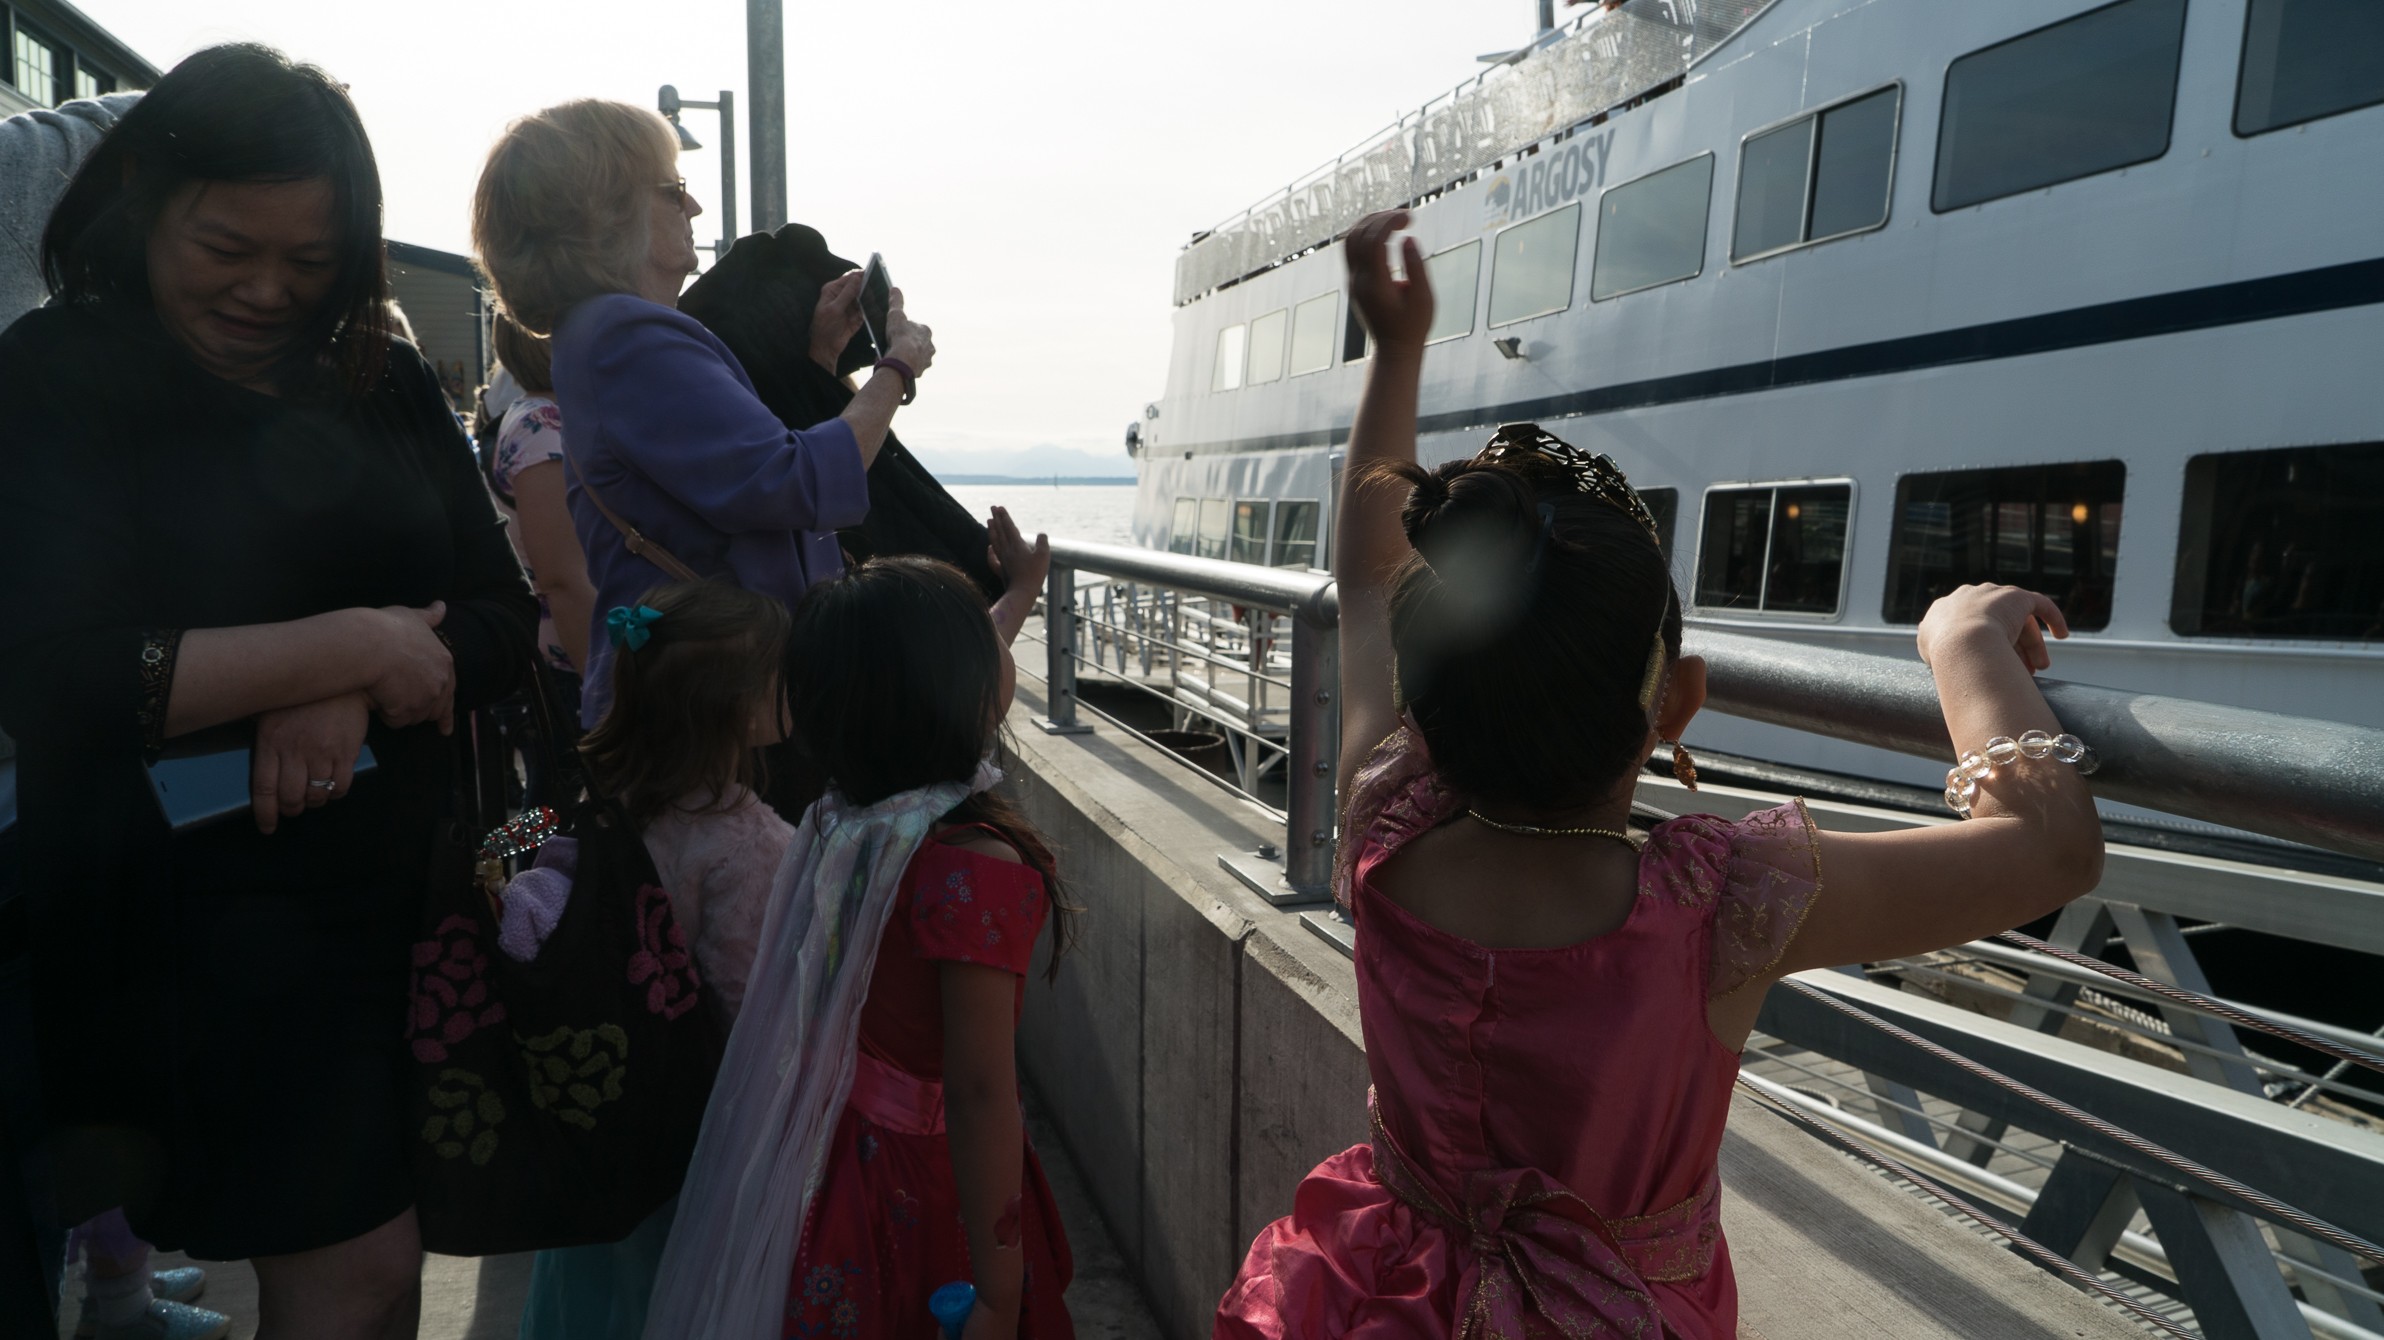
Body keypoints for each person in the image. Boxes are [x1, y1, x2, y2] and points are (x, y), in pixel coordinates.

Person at [1213, 210, 2105, 1339]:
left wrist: (1391, 351)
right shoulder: (1719, 903)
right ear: (1675, 701)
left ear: (1421, 687)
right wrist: (1963, 645)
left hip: (1372, 1289)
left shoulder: (1384, 818)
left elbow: (1362, 574)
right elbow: (2050, 851)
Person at [0, 43, 537, 1340]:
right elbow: (56, 678)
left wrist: (350, 684)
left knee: (386, 1269)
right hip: (194, 929)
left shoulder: (380, 375)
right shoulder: (53, 377)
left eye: (309, 261)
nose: (264, 290)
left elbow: (501, 617)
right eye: (226, 247)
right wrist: (348, 641)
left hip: (406, 908)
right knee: (354, 1271)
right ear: (140, 201)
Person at [646, 551, 1072, 1340]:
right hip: (925, 1183)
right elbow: (979, 1091)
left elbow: (541, 841)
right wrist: (997, 1293)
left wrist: (1018, 592)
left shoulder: (838, 820)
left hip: (823, 1152)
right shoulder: (965, 864)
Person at [469, 98, 936, 739]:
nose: (692, 207)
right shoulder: (629, 339)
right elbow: (792, 482)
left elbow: (728, 472)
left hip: (696, 700)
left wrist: (821, 360)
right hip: (715, 712)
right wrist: (896, 369)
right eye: (673, 190)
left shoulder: (605, 335)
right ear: (605, 214)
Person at [512, 580, 793, 1340]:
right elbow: (746, 1004)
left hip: (597, 1109)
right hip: (685, 1131)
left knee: (591, 1295)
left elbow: (511, 844)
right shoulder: (748, 842)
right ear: (737, 705)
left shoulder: (595, 794)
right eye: (780, 670)